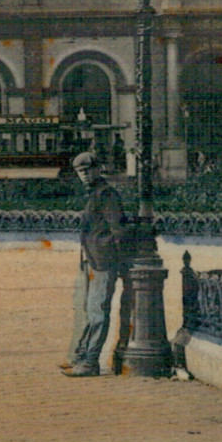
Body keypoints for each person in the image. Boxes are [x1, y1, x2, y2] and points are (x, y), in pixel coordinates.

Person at [64, 151, 129, 378]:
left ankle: (90, 363)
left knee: (98, 312)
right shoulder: (93, 194)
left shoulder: (107, 195)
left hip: (103, 262)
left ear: (96, 169)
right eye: (79, 172)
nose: (83, 175)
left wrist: (113, 257)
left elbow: (118, 230)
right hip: (92, 260)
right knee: (91, 311)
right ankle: (81, 357)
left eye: (86, 170)